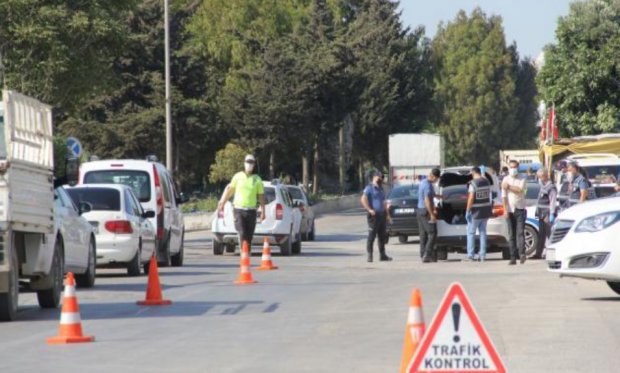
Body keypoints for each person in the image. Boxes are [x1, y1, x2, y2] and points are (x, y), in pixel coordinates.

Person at [216, 155, 266, 247]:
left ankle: (247, 253)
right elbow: (230, 190)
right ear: (244, 163)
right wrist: (223, 202)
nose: (249, 164)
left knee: (249, 235)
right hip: (238, 209)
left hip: (251, 210)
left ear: (254, 164)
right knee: (242, 232)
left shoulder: (257, 179)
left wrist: (263, 210)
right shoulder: (237, 176)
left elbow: (261, 196)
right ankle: (243, 251)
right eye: (248, 162)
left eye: (251, 162)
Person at [360, 170, 392, 262]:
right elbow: (363, 199)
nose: (381, 179)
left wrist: (388, 215)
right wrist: (369, 209)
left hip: (382, 215)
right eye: (380, 177)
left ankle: (383, 255)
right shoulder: (369, 188)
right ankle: (370, 255)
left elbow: (384, 202)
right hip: (373, 216)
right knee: (372, 236)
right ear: (375, 177)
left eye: (382, 177)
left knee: (382, 236)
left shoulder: (381, 188)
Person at [502, 160, 527, 265]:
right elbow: (504, 196)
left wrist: (508, 186)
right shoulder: (505, 179)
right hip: (509, 210)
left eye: (515, 167)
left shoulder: (523, 178)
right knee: (511, 234)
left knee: (520, 233)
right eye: (511, 167)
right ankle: (513, 257)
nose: (513, 169)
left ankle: (522, 254)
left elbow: (520, 190)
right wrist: (505, 209)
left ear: (518, 167)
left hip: (520, 208)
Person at [465, 167, 493, 262]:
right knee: (482, 233)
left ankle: (470, 255)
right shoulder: (487, 182)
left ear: (473, 173)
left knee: (471, 233)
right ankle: (482, 255)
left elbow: (471, 198)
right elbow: (489, 196)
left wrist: (468, 210)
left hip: (475, 213)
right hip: (485, 212)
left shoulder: (473, 183)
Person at [531, 167, 557, 259]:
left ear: (545, 176)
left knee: (549, 234)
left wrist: (552, 213)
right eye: (538, 176)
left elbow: (552, 201)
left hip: (547, 213)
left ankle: (551, 253)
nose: (539, 178)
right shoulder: (542, 185)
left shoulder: (551, 187)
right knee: (541, 234)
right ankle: (538, 253)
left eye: (540, 177)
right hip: (541, 212)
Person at [417, 168, 441, 263]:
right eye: (437, 179)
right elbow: (427, 200)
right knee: (432, 233)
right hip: (425, 211)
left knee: (423, 235)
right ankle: (427, 254)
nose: (437, 181)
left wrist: (441, 196)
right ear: (433, 176)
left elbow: (432, 195)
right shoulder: (427, 185)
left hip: (420, 211)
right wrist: (431, 214)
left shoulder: (424, 182)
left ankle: (423, 254)